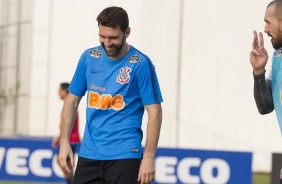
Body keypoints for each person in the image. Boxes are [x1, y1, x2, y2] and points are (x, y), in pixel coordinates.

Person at [58, 6, 163, 184]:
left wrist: (149, 157)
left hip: (125, 155)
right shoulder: (89, 57)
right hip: (89, 154)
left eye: (113, 38)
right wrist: (64, 142)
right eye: (102, 37)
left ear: (127, 32)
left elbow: (155, 112)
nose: (107, 43)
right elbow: (72, 101)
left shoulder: (140, 64)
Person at [52, 82, 80, 184]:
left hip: (70, 140)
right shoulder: (69, 105)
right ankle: (70, 180)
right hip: (71, 139)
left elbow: (68, 126)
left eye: (60, 90)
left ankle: (71, 181)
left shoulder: (69, 106)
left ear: (64, 91)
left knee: (61, 161)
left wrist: (60, 138)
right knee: (66, 163)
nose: (58, 93)